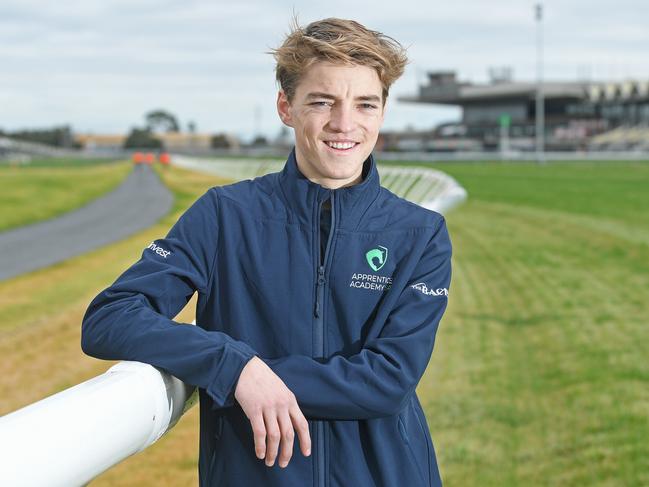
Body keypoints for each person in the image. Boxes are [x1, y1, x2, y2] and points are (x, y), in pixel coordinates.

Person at [81, 17, 452, 487]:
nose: (344, 124)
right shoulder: (224, 215)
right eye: (322, 102)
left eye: (365, 104)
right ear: (286, 107)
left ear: (382, 111)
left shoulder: (420, 233)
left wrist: (262, 377)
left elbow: (386, 380)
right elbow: (110, 318)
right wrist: (233, 366)